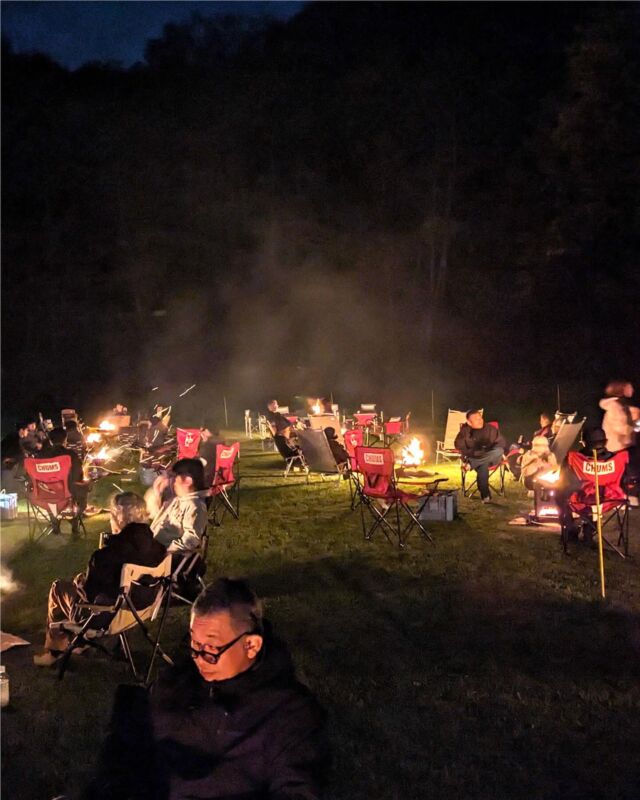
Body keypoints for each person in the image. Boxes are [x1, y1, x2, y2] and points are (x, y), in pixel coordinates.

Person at [84, 578, 327, 799]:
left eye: (210, 650)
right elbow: (128, 743)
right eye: (194, 645)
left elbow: (297, 788)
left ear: (251, 645)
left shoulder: (289, 712)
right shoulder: (179, 680)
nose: (198, 659)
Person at [33, 492, 166, 667]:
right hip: (140, 610)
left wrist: (79, 583)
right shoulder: (159, 548)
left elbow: (88, 597)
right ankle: (78, 645)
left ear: (117, 519)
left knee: (59, 588)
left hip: (103, 616)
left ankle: (55, 650)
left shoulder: (105, 556)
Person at [150, 458, 209, 554]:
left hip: (162, 555)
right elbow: (158, 518)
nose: (172, 482)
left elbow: (191, 539)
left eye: (175, 477)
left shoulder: (194, 506)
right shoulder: (178, 500)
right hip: (151, 546)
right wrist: (158, 494)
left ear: (187, 481)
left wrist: (167, 552)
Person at [37, 426, 88, 533]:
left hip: (45, 493)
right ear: (65, 440)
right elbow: (78, 475)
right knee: (84, 489)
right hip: (68, 493)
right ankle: (75, 521)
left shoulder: (41, 456)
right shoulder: (71, 455)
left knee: (53, 495)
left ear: (50, 441)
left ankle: (54, 522)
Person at [454, 410, 506, 502]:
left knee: (499, 450)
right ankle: (485, 495)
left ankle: (471, 464)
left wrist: (487, 452)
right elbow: (459, 445)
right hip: (474, 456)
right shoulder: (465, 431)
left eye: (480, 418)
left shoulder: (490, 429)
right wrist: (471, 454)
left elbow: (501, 442)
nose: (480, 420)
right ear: (469, 422)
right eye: (476, 419)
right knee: (483, 465)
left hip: (492, 458)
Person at [599, 380, 639, 453]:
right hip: (617, 448)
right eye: (629, 387)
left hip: (624, 446)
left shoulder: (623, 405)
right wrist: (635, 425)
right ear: (621, 389)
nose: (632, 389)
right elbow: (620, 428)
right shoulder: (613, 406)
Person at [198, 420, 224, 487]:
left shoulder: (209, 445)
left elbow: (203, 460)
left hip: (208, 477)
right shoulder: (220, 441)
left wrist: (204, 443)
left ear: (207, 430)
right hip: (220, 475)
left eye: (202, 430)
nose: (201, 432)